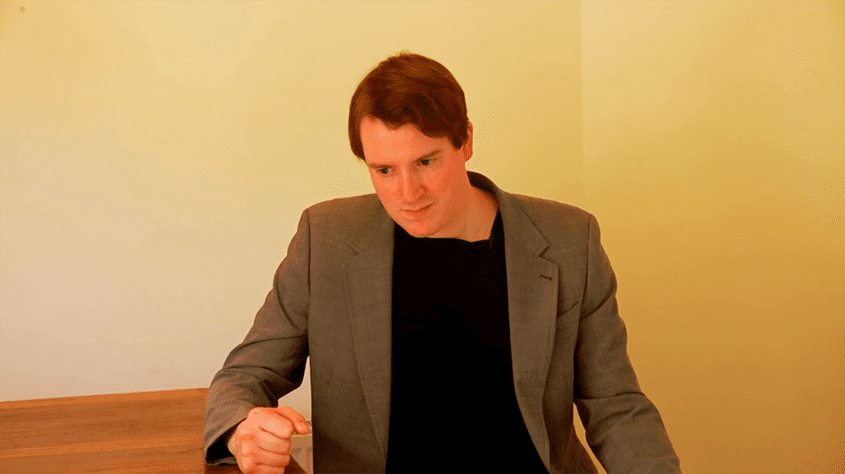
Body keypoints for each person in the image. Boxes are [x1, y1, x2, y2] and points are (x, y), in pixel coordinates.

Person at [203, 52, 681, 473]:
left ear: (465, 141)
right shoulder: (325, 240)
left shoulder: (569, 239)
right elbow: (243, 378)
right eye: (384, 170)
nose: (407, 194)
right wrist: (242, 430)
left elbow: (615, 405)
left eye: (426, 162)